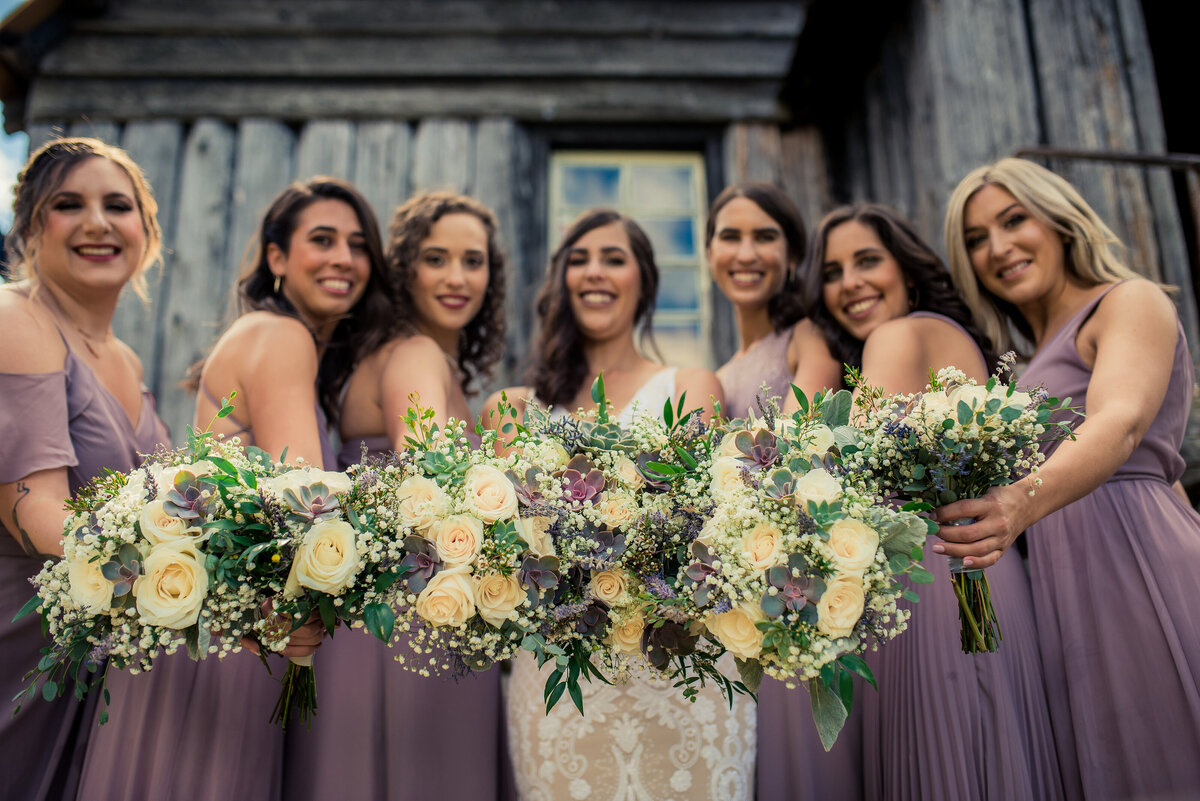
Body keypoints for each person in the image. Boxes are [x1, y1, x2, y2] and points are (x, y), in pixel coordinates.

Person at [76, 177, 389, 800]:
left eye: (358, 246)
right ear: (276, 257)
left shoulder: (280, 341)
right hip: (233, 642)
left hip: (219, 623)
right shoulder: (281, 336)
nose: (344, 259)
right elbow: (304, 509)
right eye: (321, 240)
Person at [940, 158, 1200, 799]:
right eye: (976, 239)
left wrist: (1017, 503)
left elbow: (1123, 423)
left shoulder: (1127, 301)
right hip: (1057, 581)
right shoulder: (1027, 366)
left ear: (1058, 220)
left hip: (1130, 556)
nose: (998, 248)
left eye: (1013, 220)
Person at [489, 208, 754, 801]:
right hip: (560, 675)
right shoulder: (512, 409)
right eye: (578, 260)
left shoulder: (691, 386)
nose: (594, 273)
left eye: (613, 258)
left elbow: (703, 527)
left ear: (645, 282)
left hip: (677, 668)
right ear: (559, 282)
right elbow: (503, 549)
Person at [803, 203, 1064, 801]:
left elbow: (860, 473)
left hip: (926, 581)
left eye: (867, 261)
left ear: (910, 272)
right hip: (980, 578)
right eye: (834, 273)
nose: (850, 283)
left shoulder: (900, 334)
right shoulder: (948, 338)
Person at [284, 191, 513, 801]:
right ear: (405, 267)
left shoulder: (413, 356)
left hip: (403, 603)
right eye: (436, 259)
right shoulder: (413, 354)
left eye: (474, 260)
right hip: (413, 612)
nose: (458, 277)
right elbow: (428, 487)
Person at [0, 137, 171, 801]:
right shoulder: (17, 318)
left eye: (118, 206)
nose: (98, 222)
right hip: (20, 641)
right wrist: (162, 576)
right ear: (32, 229)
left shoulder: (124, 359)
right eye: (69, 204)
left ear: (146, 233)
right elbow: (33, 507)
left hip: (94, 647)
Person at [704, 183, 854, 801]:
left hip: (802, 583)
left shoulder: (804, 337)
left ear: (792, 254)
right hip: (747, 590)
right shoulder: (721, 368)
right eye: (730, 236)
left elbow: (804, 431)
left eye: (765, 236)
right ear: (710, 250)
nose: (746, 252)